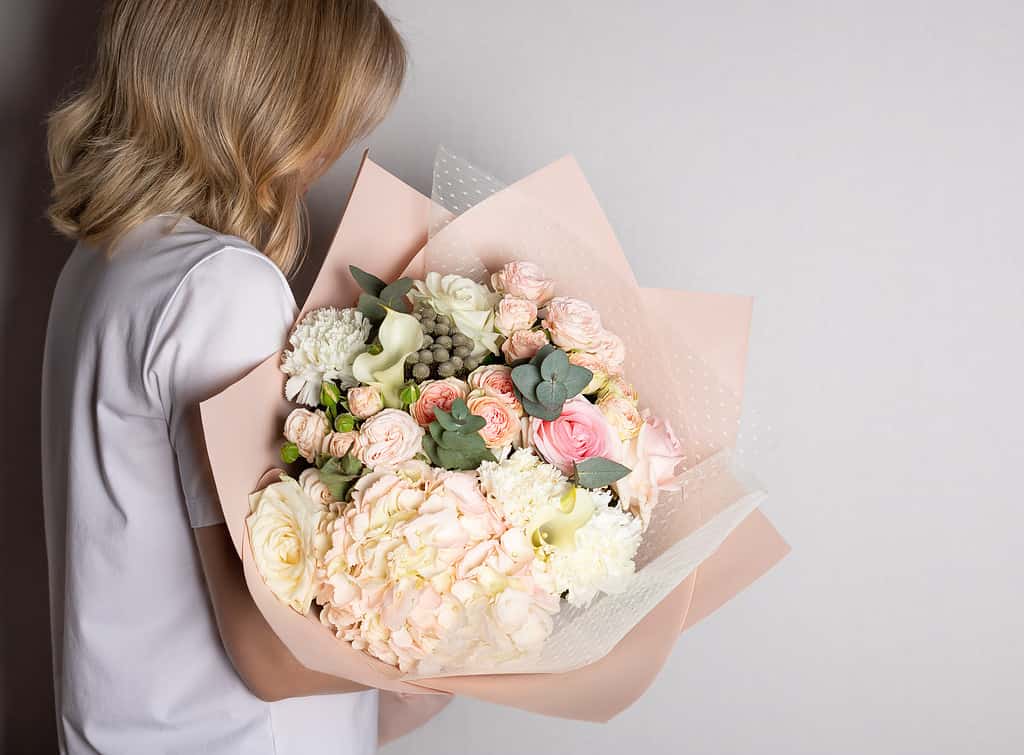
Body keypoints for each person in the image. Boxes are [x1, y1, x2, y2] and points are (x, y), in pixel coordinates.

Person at [40, 2, 406, 752]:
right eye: (334, 115)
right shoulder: (220, 285)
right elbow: (269, 654)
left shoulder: (108, 258)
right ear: (273, 103)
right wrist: (487, 620)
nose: (335, 149)